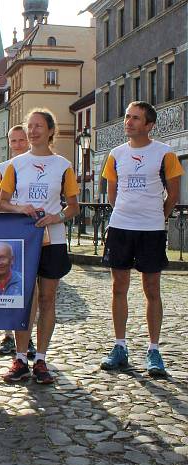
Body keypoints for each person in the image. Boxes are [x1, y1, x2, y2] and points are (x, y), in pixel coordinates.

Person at [99, 101, 183, 377]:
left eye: (135, 118)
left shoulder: (164, 153)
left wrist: (159, 217)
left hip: (151, 229)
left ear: (149, 125)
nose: (129, 122)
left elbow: (173, 193)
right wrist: (123, 213)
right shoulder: (116, 154)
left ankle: (154, 350)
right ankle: (119, 346)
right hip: (122, 226)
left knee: (152, 289)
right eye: (127, 117)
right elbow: (112, 193)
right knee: (118, 287)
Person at [0, 109, 79, 385]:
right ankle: (20, 357)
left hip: (53, 239)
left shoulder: (63, 165)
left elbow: (74, 207)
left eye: (38, 126)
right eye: (29, 127)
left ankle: (41, 358)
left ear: (50, 131)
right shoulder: (16, 164)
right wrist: (21, 207)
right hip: (23, 239)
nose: (32, 131)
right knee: (25, 299)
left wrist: (58, 216)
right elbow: (1, 202)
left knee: (47, 299)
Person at [0, 126, 36, 357]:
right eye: (13, 140)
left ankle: (28, 336)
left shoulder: (36, 164)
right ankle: (7, 334)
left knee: (29, 285)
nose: (17, 144)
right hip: (7, 228)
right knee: (5, 284)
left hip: (30, 231)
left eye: (21, 140)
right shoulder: (1, 169)